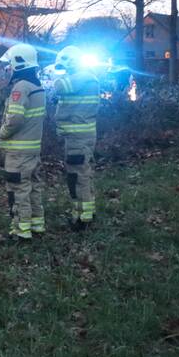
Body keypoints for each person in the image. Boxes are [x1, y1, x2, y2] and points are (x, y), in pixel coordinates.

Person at [0, 43, 47, 242]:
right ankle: (37, 225)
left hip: (18, 151)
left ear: (18, 63)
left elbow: (15, 119)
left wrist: (2, 133)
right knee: (32, 187)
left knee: (18, 190)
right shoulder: (37, 86)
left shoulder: (21, 87)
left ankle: (21, 231)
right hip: (32, 148)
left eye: (10, 64)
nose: (8, 68)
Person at [53, 45, 101, 231]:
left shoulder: (82, 77)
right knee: (84, 173)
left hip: (77, 136)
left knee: (77, 176)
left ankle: (83, 217)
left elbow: (58, 86)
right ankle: (88, 211)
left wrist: (53, 73)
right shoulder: (85, 78)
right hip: (79, 135)